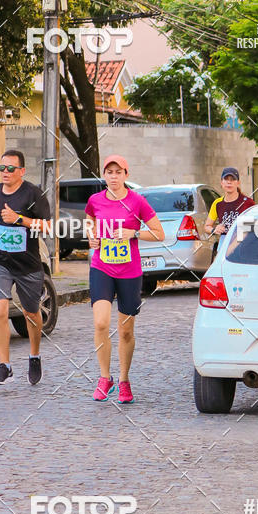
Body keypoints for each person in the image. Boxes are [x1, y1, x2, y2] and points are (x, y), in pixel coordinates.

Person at [85, 154, 164, 404]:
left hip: (129, 272)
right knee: (100, 323)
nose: (114, 176)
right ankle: (104, 377)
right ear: (104, 176)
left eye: (118, 172)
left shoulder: (137, 201)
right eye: (109, 172)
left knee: (125, 331)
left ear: (126, 175)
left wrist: (134, 232)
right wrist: (91, 237)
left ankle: (124, 380)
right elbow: (89, 221)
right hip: (101, 267)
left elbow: (159, 233)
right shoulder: (95, 200)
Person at [0, 150, 51, 386]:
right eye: (2, 168)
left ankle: (34, 355)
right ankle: (4, 365)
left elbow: (48, 227)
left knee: (31, 313)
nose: (5, 173)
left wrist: (20, 219)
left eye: (10, 168)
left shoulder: (33, 194)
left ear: (22, 171)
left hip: (28, 264)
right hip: (0, 261)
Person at [204, 168, 255, 243]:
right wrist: (214, 230)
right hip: (225, 241)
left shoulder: (248, 203)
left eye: (232, 179)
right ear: (221, 182)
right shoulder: (217, 203)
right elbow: (207, 226)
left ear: (238, 183)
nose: (229, 182)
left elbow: (254, 228)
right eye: (226, 179)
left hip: (244, 242)